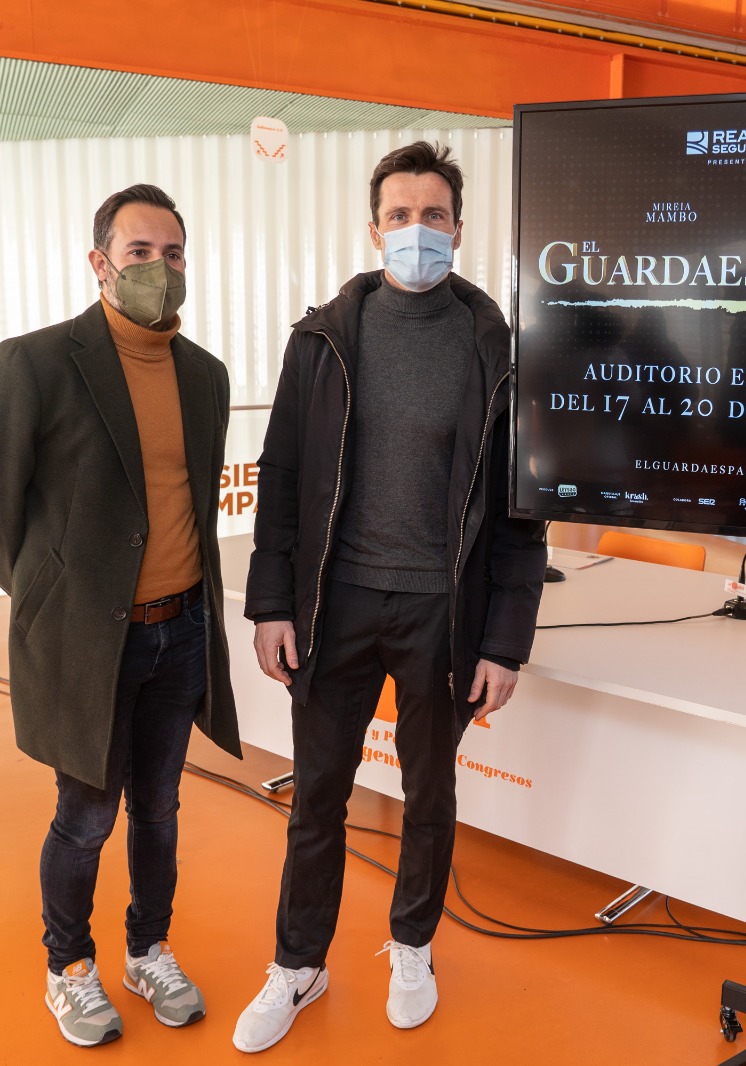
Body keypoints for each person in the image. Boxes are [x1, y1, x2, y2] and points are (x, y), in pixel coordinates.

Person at [233, 142, 546, 1053]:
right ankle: (299, 963)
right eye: (400, 216)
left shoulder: (498, 351)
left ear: (459, 227)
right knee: (317, 798)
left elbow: (522, 516)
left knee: (429, 796)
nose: (418, 231)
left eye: (434, 215)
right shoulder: (323, 338)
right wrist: (271, 605)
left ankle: (413, 946)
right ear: (374, 229)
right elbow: (283, 475)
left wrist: (505, 642)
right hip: (336, 607)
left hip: (442, 615)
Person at [0, 184, 240, 1047]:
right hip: (89, 639)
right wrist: (46, 595)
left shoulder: (204, 377)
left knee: (159, 807)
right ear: (100, 263)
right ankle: (68, 966)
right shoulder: (35, 363)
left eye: (174, 254)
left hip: (180, 629)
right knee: (86, 815)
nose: (160, 269)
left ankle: (148, 948)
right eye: (141, 253)